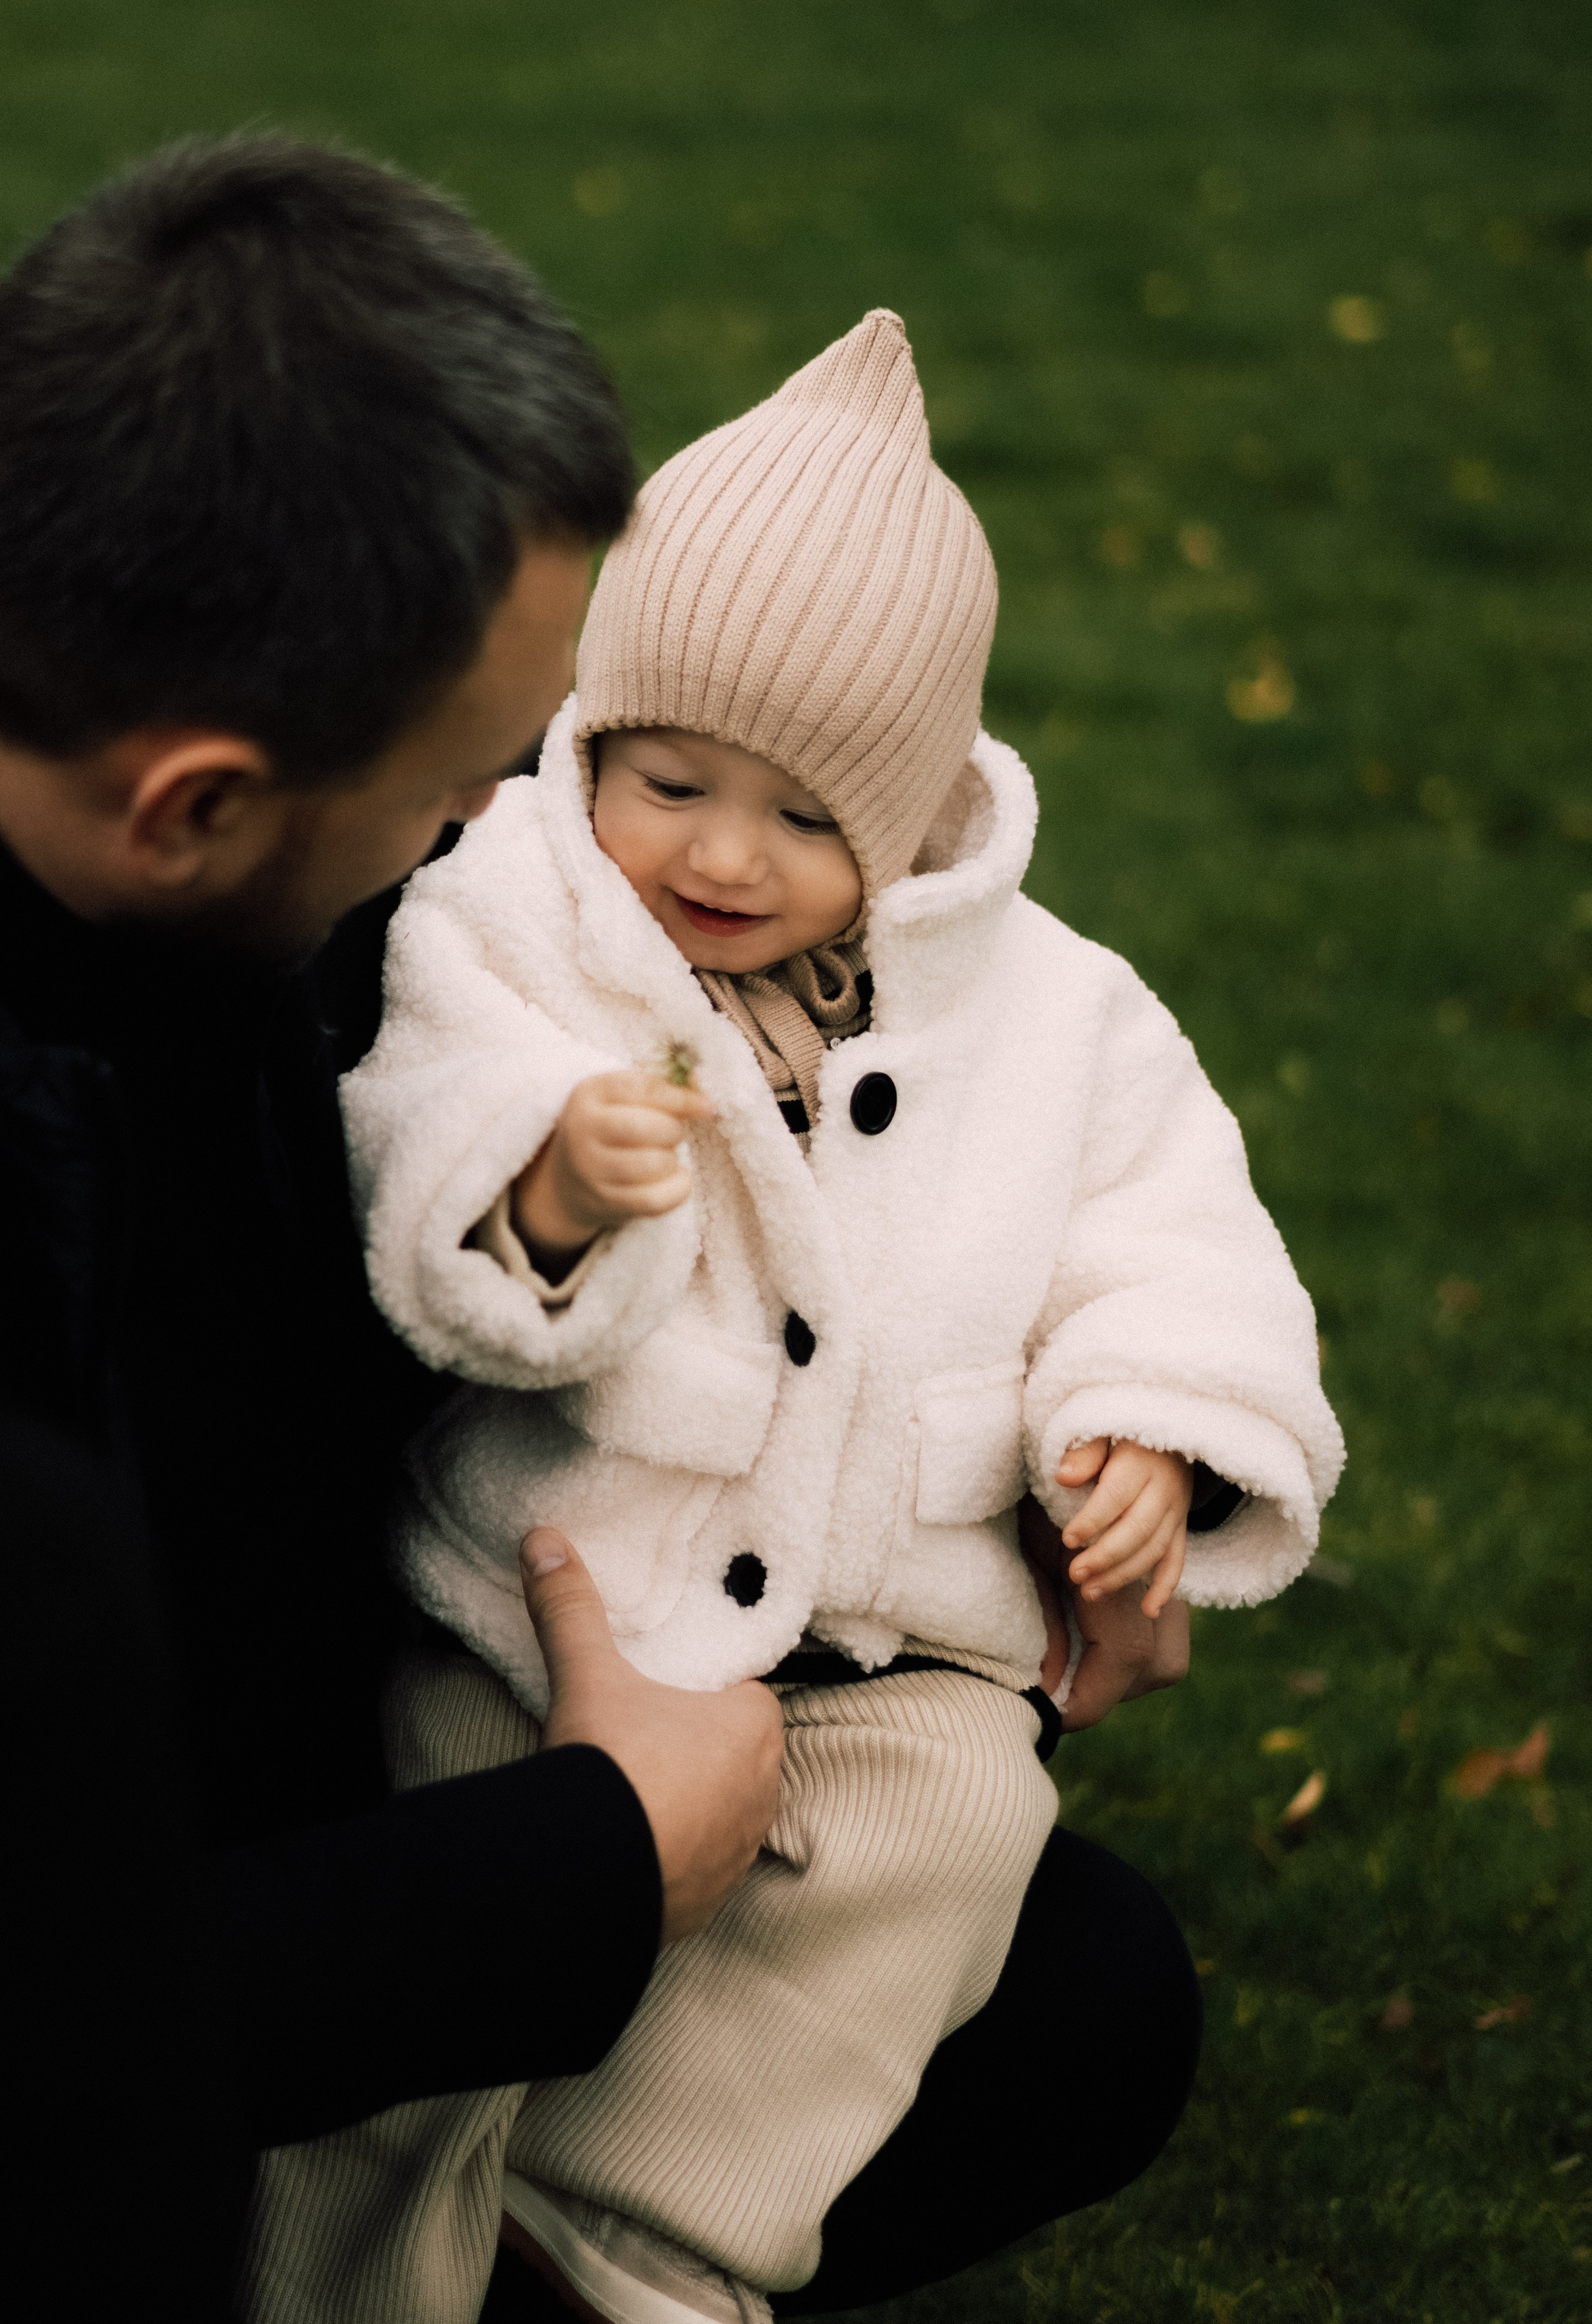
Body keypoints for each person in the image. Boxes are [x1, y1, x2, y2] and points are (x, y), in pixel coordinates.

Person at [251, 312, 1344, 2324]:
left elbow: (1175, 1235)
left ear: (923, 813)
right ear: (597, 736)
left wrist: (1145, 1435)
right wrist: (542, 1186)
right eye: (672, 780)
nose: (724, 859)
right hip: (542, 1587)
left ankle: (628, 2252)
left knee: (952, 1839)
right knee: (436, 1887)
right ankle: (346, 2268)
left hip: (889, 1637)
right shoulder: (516, 904)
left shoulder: (1054, 1008)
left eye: (810, 817)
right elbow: (420, 1104)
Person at [0, 132, 785, 2322]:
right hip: (154, 2019)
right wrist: (586, 1864)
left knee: (1083, 1995)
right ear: (199, 807)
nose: (517, 831)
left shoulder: (280, 911)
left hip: (368, 1740)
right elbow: (45, 2008)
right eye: (467, 784)